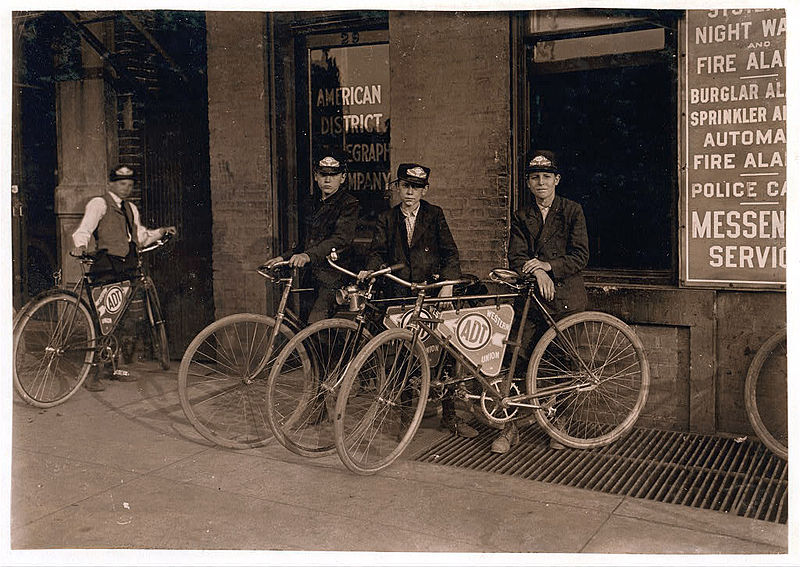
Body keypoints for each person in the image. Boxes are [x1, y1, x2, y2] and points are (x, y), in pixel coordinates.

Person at [358, 163, 478, 439]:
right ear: (398, 187)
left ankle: (449, 415)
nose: (409, 192)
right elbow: (377, 251)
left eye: (415, 187)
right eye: (405, 186)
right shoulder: (387, 218)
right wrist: (371, 268)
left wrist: (447, 287)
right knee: (403, 357)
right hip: (401, 295)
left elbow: (450, 254)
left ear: (424, 190)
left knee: (446, 354)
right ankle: (405, 421)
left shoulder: (434, 215)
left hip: (433, 294)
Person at [491, 149, 589, 454]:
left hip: (565, 300)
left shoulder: (572, 211)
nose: (541, 183)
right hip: (532, 300)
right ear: (529, 183)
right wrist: (536, 271)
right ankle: (512, 428)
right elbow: (517, 256)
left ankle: (559, 425)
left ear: (557, 180)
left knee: (562, 364)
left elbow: (580, 255)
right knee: (517, 360)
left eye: (547, 177)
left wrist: (547, 267)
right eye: (535, 178)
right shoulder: (522, 216)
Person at [71, 164, 177, 391]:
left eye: (129, 184)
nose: (126, 188)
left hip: (125, 268)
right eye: (122, 183)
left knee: (120, 319)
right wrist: (81, 246)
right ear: (111, 183)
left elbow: (139, 236)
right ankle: (93, 375)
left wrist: (160, 232)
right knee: (104, 320)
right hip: (107, 267)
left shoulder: (130, 208)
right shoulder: (99, 204)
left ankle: (113, 368)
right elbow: (84, 230)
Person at [263, 149, 358, 324]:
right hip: (310, 276)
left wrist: (307, 256)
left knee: (316, 325)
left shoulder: (349, 204)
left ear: (342, 178)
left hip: (334, 277)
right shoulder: (311, 203)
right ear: (316, 176)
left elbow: (340, 239)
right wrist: (282, 258)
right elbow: (304, 244)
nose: (327, 180)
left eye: (333, 175)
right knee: (305, 327)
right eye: (323, 175)